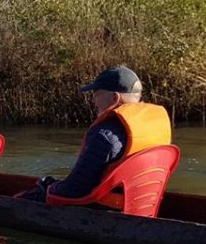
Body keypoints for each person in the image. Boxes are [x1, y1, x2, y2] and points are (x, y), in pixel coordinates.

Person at [19, 66, 171, 203]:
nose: (93, 100)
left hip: (103, 210)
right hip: (143, 204)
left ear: (114, 98)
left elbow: (74, 191)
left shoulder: (105, 135)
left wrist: (48, 186)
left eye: (96, 94)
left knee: (34, 193)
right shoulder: (151, 126)